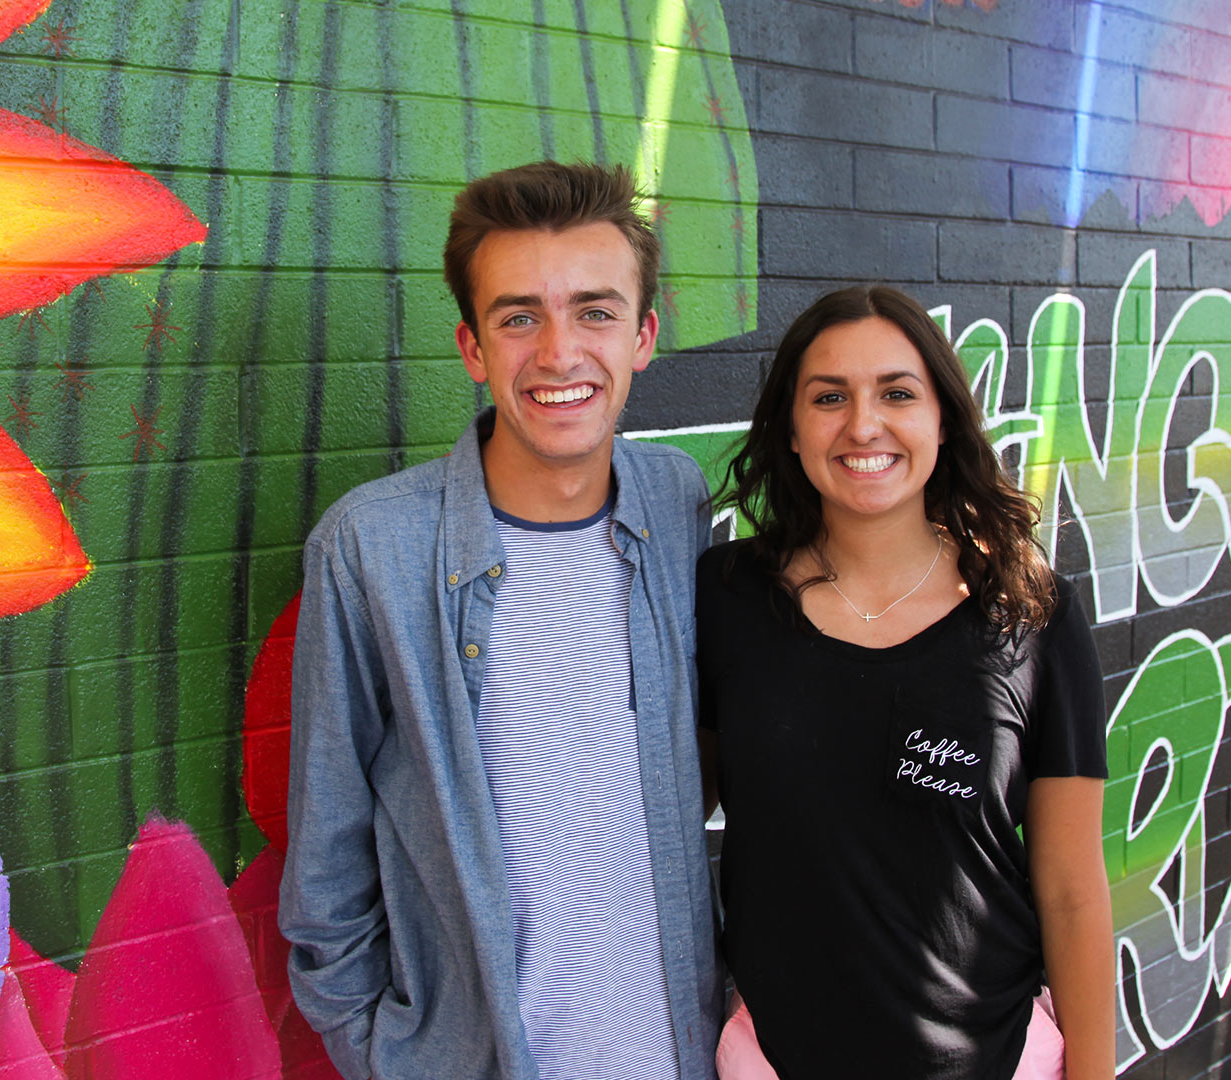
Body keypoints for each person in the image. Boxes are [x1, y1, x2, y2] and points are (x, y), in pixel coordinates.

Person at [279, 160, 723, 1080]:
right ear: (474, 348)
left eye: (595, 312)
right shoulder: (370, 550)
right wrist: (385, 1055)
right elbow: (325, 865)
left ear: (643, 336)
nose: (559, 352)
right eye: (520, 316)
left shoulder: (679, 506)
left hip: (680, 1051)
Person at [698, 285, 1114, 1080]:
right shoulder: (727, 598)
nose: (863, 425)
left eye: (897, 393)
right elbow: (673, 819)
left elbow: (1071, 890)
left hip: (998, 1059)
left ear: (943, 419)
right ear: (790, 428)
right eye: (829, 397)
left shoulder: (1029, 613)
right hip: (775, 1061)